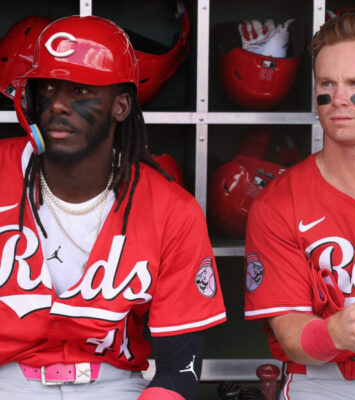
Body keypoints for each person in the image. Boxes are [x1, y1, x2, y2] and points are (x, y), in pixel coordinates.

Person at [0, 14, 226, 400]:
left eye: (81, 92)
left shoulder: (171, 209)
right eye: (49, 88)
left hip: (112, 385)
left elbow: (179, 372)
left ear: (120, 106)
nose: (57, 105)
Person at [244, 13, 355, 400]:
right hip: (322, 381)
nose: (339, 98)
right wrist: (335, 333)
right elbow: (291, 332)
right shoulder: (278, 202)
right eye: (327, 84)